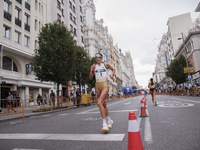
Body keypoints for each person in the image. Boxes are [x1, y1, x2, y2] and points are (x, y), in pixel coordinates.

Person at [89, 53, 115, 132]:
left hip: (105, 85)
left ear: (101, 58)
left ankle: (104, 124)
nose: (97, 58)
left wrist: (112, 75)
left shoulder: (105, 65)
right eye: (95, 57)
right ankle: (109, 120)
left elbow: (113, 69)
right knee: (103, 104)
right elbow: (90, 78)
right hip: (97, 86)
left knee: (99, 103)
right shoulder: (94, 66)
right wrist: (92, 71)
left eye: (98, 57)